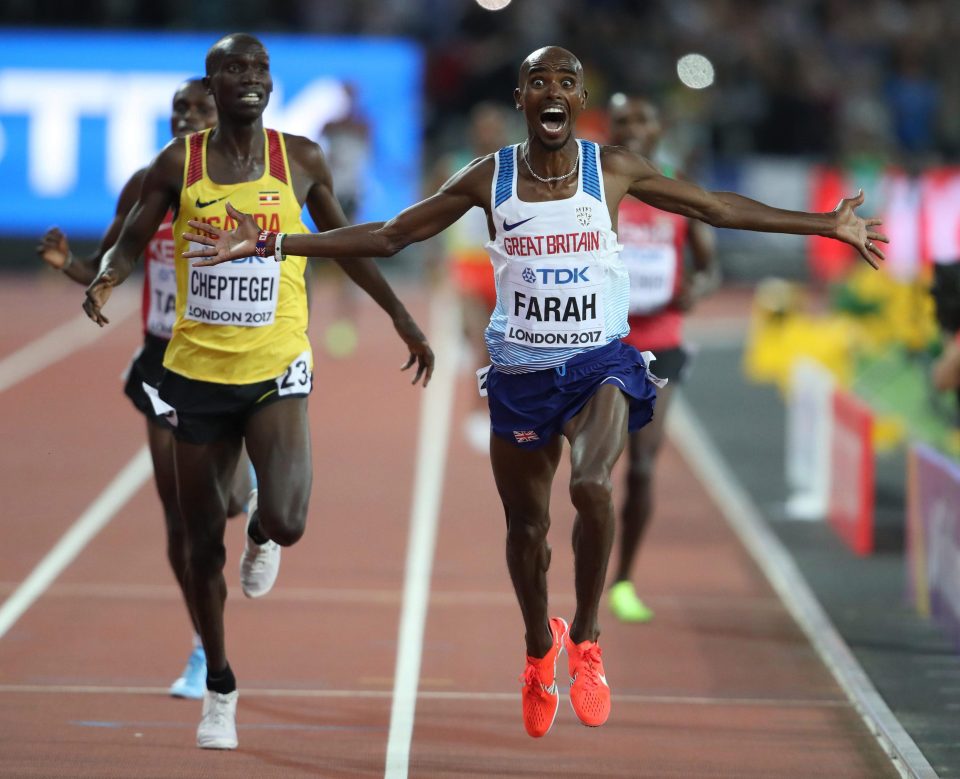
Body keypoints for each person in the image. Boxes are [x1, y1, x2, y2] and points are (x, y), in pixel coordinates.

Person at [182, 45, 886, 739]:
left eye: (567, 81)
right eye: (538, 81)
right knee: (527, 532)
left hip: (598, 363)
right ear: (523, 99)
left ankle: (586, 637)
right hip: (521, 375)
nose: (553, 90)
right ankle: (536, 647)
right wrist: (277, 244)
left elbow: (716, 209)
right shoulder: (489, 178)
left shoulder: (609, 170)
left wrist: (824, 224)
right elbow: (394, 234)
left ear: (579, 101)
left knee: (593, 486)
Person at [82, 33, 434, 750]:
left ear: (270, 83)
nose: (250, 79)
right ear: (212, 84)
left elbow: (349, 241)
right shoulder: (179, 163)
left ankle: (265, 534)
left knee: (289, 517)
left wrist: (400, 316)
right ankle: (219, 684)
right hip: (194, 372)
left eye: (260, 69)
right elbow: (132, 235)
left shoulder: (299, 159)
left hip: (274, 364)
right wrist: (110, 275)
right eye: (235, 69)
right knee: (198, 540)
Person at [36, 78, 255, 700]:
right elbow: (111, 260)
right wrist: (71, 267)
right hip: (163, 361)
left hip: (229, 353)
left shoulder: (247, 183)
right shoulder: (148, 183)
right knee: (182, 520)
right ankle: (201, 648)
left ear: (224, 114)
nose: (187, 117)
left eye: (200, 108)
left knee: (229, 502)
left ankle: (256, 485)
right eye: (179, 109)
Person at [605, 93, 717, 623]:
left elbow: (709, 266)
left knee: (644, 466)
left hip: (662, 341)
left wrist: (697, 288)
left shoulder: (677, 191)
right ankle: (589, 568)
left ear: (657, 128)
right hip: (602, 343)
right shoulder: (595, 184)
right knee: (595, 469)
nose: (631, 127)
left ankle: (623, 579)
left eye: (641, 119)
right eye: (622, 119)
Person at [428, 102, 512, 451]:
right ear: (473, 131)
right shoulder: (454, 166)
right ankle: (480, 410)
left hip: (506, 267)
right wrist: (433, 256)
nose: (488, 134)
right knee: (484, 344)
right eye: (483, 127)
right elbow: (431, 210)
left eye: (494, 127)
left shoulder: (515, 167)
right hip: (467, 266)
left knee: (507, 345)